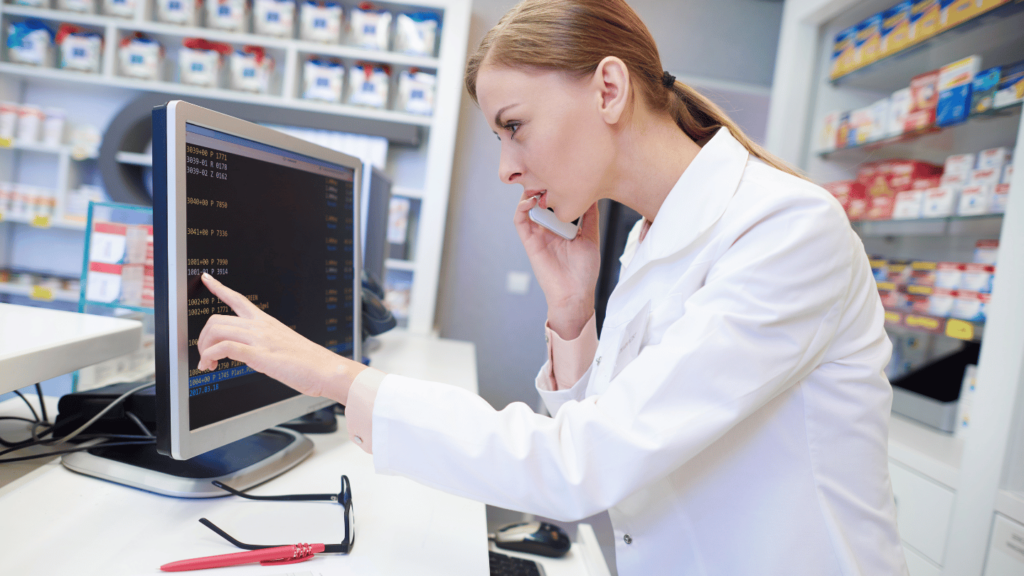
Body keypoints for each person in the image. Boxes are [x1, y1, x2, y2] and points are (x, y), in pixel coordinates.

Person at [196, 0, 908, 573]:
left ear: (608, 88)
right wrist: (572, 314)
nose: (506, 167)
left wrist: (336, 376)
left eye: (514, 127)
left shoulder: (786, 230)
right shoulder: (653, 234)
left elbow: (583, 465)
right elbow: (615, 434)